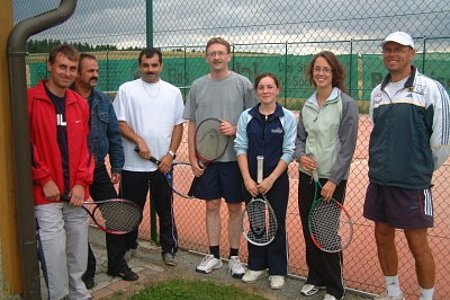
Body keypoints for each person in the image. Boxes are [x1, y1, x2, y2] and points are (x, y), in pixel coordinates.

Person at [363, 31, 450, 300]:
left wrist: (419, 169)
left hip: (412, 183)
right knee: (382, 236)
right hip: (380, 181)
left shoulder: (431, 89)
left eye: (399, 49)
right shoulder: (378, 92)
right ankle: (393, 293)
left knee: (418, 244)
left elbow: (442, 140)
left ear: (411, 54)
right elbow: (377, 128)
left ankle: (426, 298)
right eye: (388, 49)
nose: (392, 54)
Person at [183, 37, 256, 277]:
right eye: (212, 53)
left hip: (236, 159)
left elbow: (253, 119)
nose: (216, 57)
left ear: (229, 55)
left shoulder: (243, 84)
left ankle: (234, 256)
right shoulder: (197, 86)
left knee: (235, 207)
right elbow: (192, 123)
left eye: (221, 53)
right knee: (211, 205)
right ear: (206, 57)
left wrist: (236, 129)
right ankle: (214, 255)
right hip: (207, 159)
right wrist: (192, 155)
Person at [28, 44, 94, 299]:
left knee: (77, 250)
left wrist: (80, 183)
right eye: (62, 67)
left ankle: (79, 293)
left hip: (76, 193)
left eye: (72, 68)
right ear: (49, 65)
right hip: (46, 195)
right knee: (54, 252)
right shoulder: (30, 99)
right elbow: (25, 144)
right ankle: (59, 296)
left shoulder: (79, 103)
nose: (67, 73)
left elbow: (88, 148)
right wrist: (43, 178)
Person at [294, 51, 359, 300]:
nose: (321, 73)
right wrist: (301, 156)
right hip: (306, 177)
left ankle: (335, 287)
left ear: (334, 73)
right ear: (312, 73)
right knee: (309, 229)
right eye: (317, 69)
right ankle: (315, 278)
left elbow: (347, 147)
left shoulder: (347, 104)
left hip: (332, 181)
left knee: (326, 232)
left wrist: (333, 180)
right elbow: (300, 139)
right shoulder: (308, 104)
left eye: (326, 69)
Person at [113, 48, 185, 267]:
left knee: (165, 210)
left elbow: (178, 126)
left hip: (162, 166)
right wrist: (139, 141)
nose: (150, 69)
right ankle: (129, 246)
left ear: (161, 66)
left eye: (154, 65)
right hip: (132, 166)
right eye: (146, 65)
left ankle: (168, 249)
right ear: (140, 65)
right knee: (130, 210)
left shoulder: (173, 92)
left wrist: (170, 156)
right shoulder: (126, 90)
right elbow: (120, 123)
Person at [72, 53, 135, 286]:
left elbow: (114, 136)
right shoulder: (65, 100)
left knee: (117, 214)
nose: (95, 74)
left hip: (97, 169)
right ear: (77, 73)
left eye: (96, 70)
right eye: (90, 71)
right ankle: (87, 271)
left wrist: (116, 165)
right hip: (72, 174)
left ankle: (116, 264)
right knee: (76, 221)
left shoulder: (102, 101)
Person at [235, 73, 296, 289]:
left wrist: (271, 179)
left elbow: (289, 151)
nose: (266, 91)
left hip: (276, 180)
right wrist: (247, 179)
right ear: (256, 91)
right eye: (261, 87)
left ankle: (278, 270)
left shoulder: (286, 117)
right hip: (251, 180)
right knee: (257, 223)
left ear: (277, 90)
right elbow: (240, 147)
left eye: (270, 86)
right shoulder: (247, 117)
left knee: (277, 223)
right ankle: (256, 265)